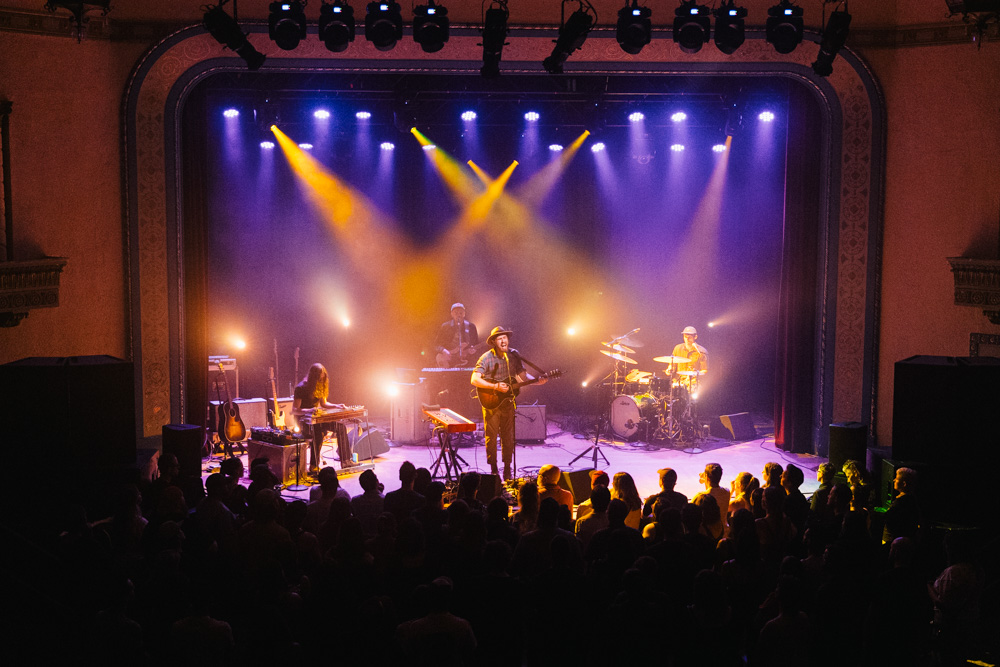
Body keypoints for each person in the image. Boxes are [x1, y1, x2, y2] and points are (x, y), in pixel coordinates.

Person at [470, 326, 546, 480]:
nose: (503, 340)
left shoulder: (514, 355)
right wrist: (495, 386)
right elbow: (474, 379)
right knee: (491, 436)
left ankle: (507, 468)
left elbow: (521, 378)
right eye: (499, 338)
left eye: (505, 337)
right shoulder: (486, 357)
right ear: (494, 342)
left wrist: (538, 382)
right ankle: (493, 469)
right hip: (491, 403)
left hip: (508, 402)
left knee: (508, 436)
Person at [292, 363, 352, 474]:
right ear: (313, 377)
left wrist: (336, 405)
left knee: (341, 427)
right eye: (319, 378)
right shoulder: (301, 388)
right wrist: (309, 410)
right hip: (303, 421)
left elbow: (323, 403)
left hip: (317, 419)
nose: (321, 380)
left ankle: (346, 461)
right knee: (318, 433)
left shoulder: (320, 385)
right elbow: (295, 410)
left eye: (323, 377)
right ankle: (314, 466)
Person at [433, 302, 481, 368]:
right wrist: (444, 350)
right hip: (449, 357)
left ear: (464, 314)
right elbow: (436, 344)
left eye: (461, 313)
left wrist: (473, 350)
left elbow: (476, 344)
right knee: (439, 357)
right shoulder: (445, 326)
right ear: (452, 314)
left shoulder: (471, 327)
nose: (458, 315)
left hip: (466, 359)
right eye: (456, 313)